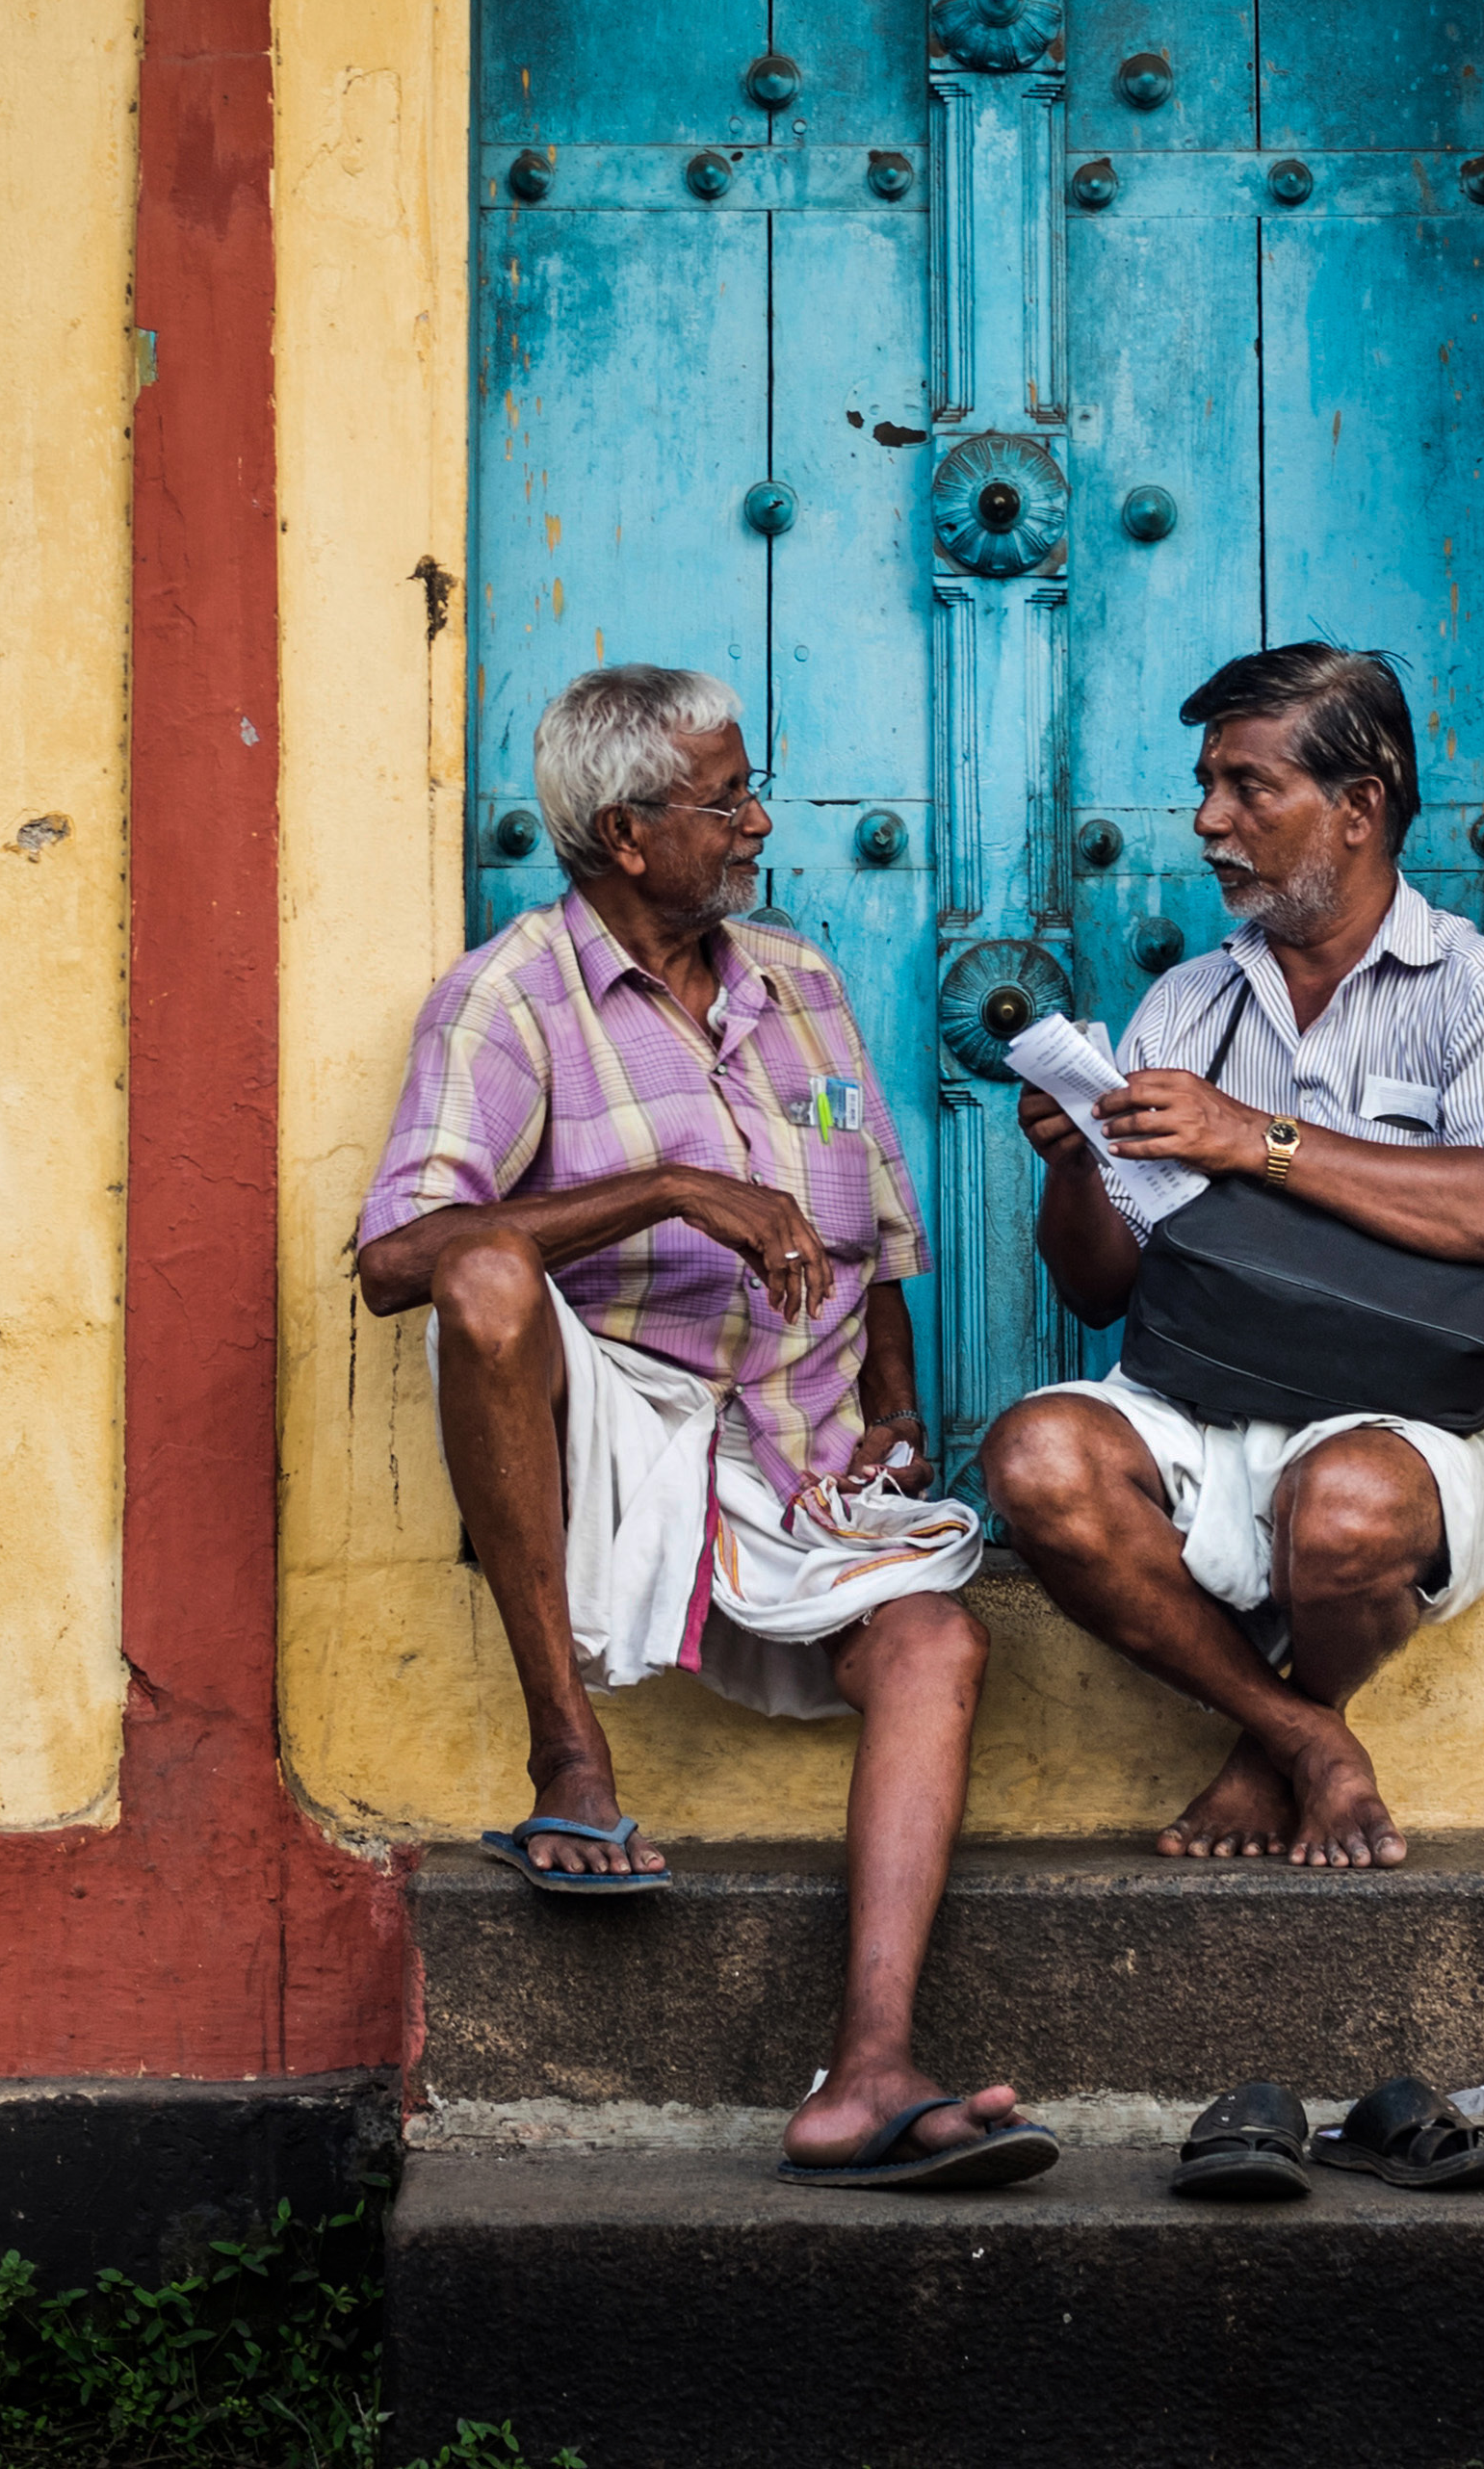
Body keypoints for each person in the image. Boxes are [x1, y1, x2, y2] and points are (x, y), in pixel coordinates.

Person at [351, 663, 1051, 2189]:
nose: (756, 821)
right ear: (621, 832)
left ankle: (866, 2068)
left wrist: (891, 1398)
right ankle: (569, 1758)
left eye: (750, 788)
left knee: (938, 1644)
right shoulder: (507, 996)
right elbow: (394, 1258)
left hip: (788, 1457)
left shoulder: (795, 977)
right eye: (723, 799)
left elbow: (870, 1217)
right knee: (479, 1263)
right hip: (623, 1433)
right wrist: (667, 1185)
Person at [983, 644, 1484, 1872]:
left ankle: (1266, 1753)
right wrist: (1073, 1165)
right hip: (1203, 1396)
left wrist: (1253, 1138)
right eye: (1206, 785)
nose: (1209, 821)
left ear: (1357, 807)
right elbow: (1100, 1288)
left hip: (1410, 1415)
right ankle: (1300, 1737)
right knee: (1037, 1457)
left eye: (1249, 787)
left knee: (1349, 1507)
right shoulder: (1185, 1007)